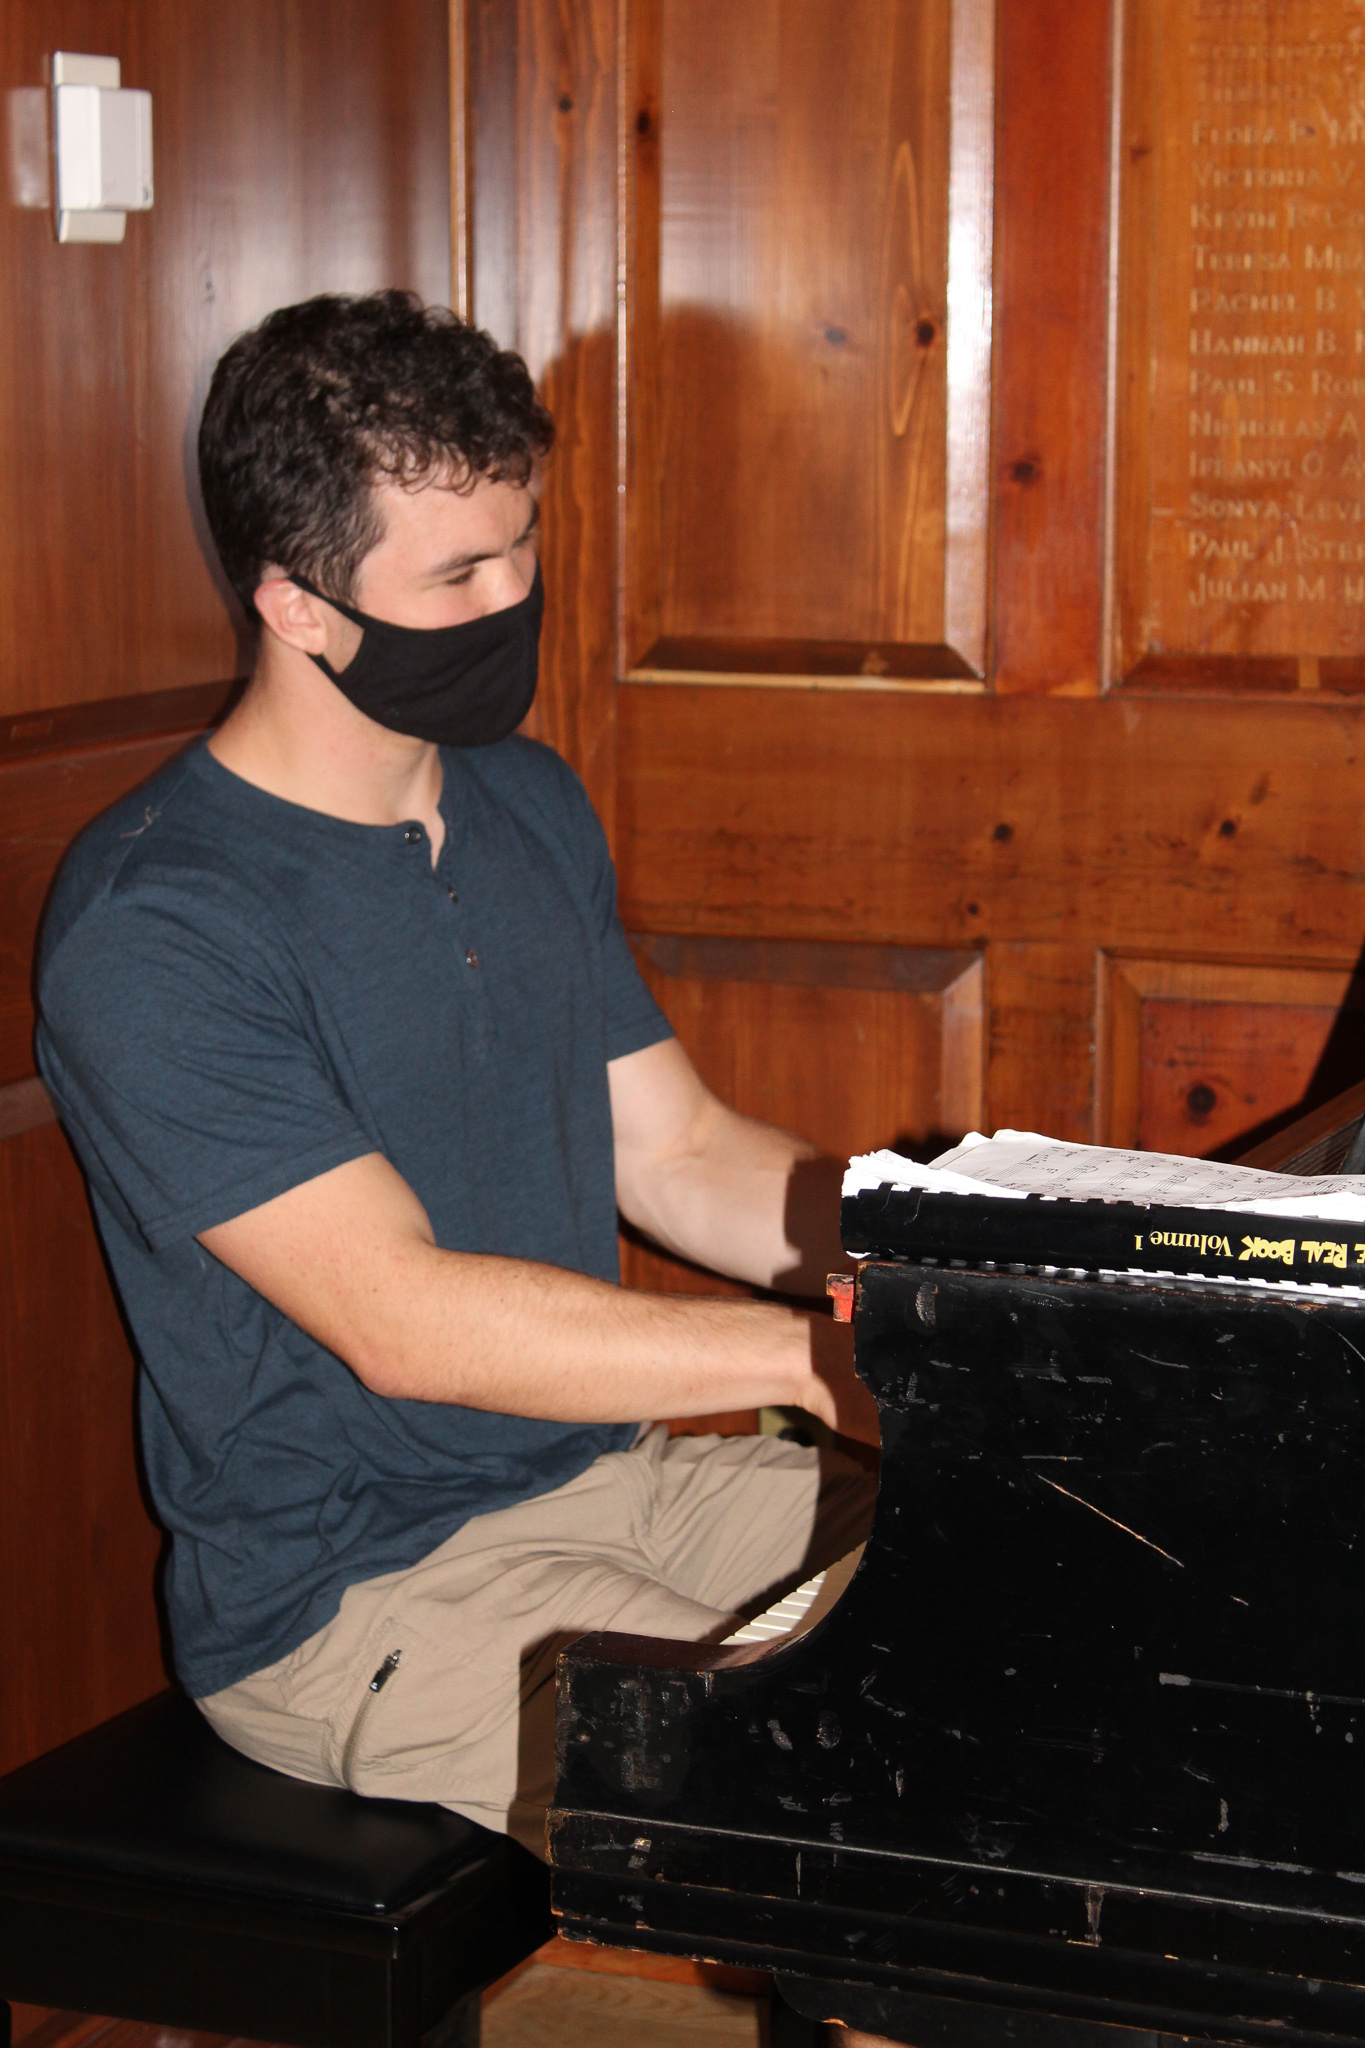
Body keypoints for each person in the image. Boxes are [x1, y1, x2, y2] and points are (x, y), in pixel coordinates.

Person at [35, 290, 877, 1853]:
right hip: (355, 1595)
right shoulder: (157, 924)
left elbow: (676, 1150)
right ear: (296, 606)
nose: (513, 597)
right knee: (880, 1791)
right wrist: (812, 1364)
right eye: (458, 573)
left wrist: (952, 1278)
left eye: (523, 544)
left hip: (615, 1484)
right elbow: (403, 1322)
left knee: (1083, 1579)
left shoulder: (524, 802)